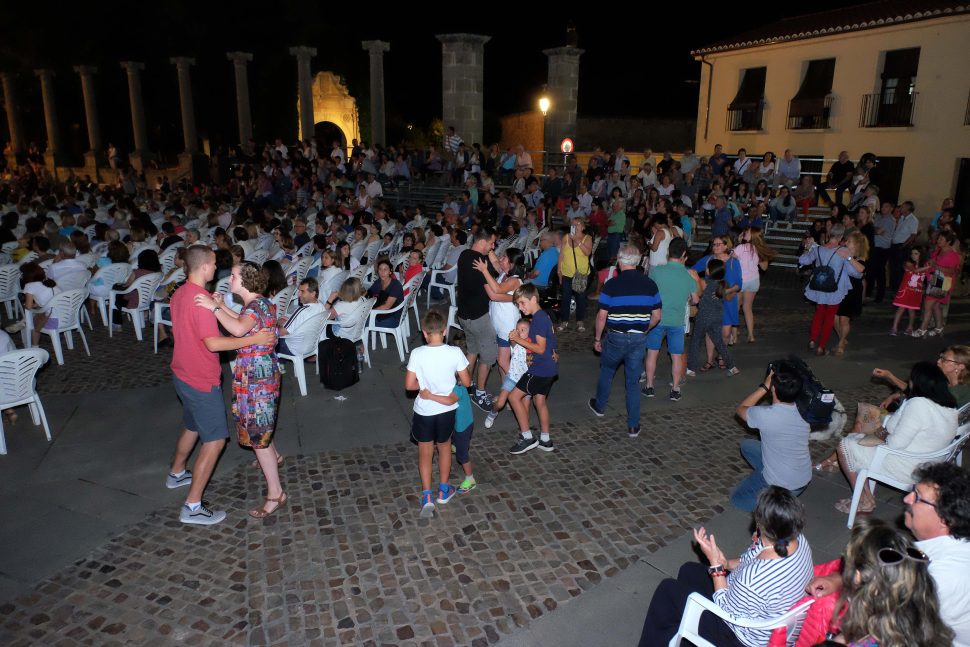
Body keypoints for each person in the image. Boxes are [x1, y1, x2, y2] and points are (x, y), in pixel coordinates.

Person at [806, 463, 970, 646]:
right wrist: (838, 578)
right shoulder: (948, 546)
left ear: (945, 519)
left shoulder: (938, 577)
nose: (907, 499)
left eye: (918, 498)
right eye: (913, 491)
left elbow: (886, 620)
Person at [167, 246, 273, 525]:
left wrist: (219, 306)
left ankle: (177, 472)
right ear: (203, 267)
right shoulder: (201, 300)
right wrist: (254, 340)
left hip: (182, 372)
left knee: (192, 425)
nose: (218, 269)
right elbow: (215, 343)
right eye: (214, 263)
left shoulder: (179, 292)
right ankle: (192, 506)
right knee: (214, 440)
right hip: (201, 377)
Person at [638, 487, 814, 646]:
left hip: (737, 635)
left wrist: (715, 565)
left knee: (667, 590)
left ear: (761, 524)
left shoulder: (755, 577)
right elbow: (751, 560)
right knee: (688, 570)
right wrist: (726, 564)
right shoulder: (796, 540)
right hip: (764, 615)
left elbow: (724, 609)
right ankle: (683, 634)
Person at [194, 262, 284, 518]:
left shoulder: (256, 305)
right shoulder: (258, 304)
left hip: (258, 377)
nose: (229, 279)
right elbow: (243, 322)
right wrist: (221, 307)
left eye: (233, 276)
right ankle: (273, 460)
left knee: (258, 435)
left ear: (245, 281)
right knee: (259, 428)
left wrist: (214, 308)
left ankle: (275, 494)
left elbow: (237, 330)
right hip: (255, 374)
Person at [819, 362, 959, 515]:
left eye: (911, 379)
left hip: (908, 466)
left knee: (845, 445)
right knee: (859, 435)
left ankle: (865, 499)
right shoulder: (950, 406)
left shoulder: (919, 404)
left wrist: (903, 407)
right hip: (929, 462)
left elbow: (894, 442)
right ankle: (863, 493)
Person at [589, 244, 662, 437]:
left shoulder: (611, 285)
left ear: (620, 262)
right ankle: (633, 425)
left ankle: (600, 405)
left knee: (607, 370)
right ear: (637, 262)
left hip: (615, 337)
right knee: (632, 381)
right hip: (638, 338)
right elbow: (657, 315)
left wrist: (597, 338)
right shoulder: (650, 284)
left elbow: (601, 316)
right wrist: (644, 328)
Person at [404, 309, 471, 518]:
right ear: (444, 331)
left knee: (425, 452)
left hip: (424, 410)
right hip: (446, 410)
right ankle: (443, 490)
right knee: (443, 448)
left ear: (424, 333)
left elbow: (409, 385)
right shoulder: (454, 353)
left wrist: (425, 390)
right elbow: (467, 382)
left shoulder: (417, 354)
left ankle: (427, 496)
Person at [730, 361, 810, 511]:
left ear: (773, 389)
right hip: (802, 480)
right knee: (748, 446)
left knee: (736, 499)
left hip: (782, 486)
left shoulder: (766, 415)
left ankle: (776, 504)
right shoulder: (804, 411)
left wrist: (764, 387)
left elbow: (741, 409)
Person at [642, 238, 695, 401]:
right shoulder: (688, 275)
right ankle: (675, 388)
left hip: (657, 318)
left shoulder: (657, 271)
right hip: (677, 321)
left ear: (667, 252)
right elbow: (696, 299)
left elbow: (649, 293)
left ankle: (649, 386)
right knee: (676, 355)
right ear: (684, 254)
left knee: (652, 353)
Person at [508, 284, 558, 454]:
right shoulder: (543, 317)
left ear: (534, 299)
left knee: (513, 397)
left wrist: (518, 339)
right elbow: (551, 341)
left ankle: (528, 437)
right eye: (518, 305)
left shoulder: (538, 320)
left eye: (522, 303)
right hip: (549, 368)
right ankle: (545, 439)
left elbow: (540, 348)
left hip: (539, 369)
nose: (521, 308)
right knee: (540, 401)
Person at [798, 223, 862, 355]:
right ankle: (821, 347)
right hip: (834, 290)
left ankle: (812, 339)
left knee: (819, 312)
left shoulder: (818, 249)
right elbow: (854, 273)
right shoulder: (843, 251)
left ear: (829, 234)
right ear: (840, 237)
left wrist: (807, 248)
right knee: (829, 317)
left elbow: (803, 261)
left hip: (819, 286)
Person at [456, 229, 499, 411]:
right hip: (479, 317)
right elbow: (497, 276)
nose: (493, 247)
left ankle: (463, 387)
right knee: (488, 357)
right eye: (492, 243)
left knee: (472, 351)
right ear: (483, 242)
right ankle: (480, 393)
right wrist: (490, 255)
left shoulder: (464, 254)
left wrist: (488, 251)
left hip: (464, 316)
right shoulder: (482, 262)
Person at [474, 248, 524, 379]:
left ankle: (519, 387)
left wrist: (484, 270)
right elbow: (495, 261)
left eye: (504, 258)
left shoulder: (515, 280)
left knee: (502, 361)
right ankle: (505, 392)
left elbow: (497, 290)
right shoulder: (504, 274)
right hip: (499, 325)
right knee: (502, 362)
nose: (501, 259)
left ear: (511, 263)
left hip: (507, 327)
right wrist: (489, 249)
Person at [686, 259, 739, 377]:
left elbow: (698, 294)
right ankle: (732, 366)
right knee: (719, 342)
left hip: (704, 317)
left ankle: (690, 368)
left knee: (695, 341)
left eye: (707, 268)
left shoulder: (705, 282)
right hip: (717, 317)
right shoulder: (724, 284)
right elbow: (730, 297)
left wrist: (696, 279)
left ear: (709, 271)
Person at [484, 318, 531, 429]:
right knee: (500, 403)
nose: (519, 332)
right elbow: (513, 341)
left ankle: (524, 433)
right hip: (512, 377)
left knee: (525, 410)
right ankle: (493, 413)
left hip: (527, 380)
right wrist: (514, 336)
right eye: (517, 329)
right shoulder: (516, 343)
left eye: (523, 330)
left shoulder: (533, 345)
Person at [733, 228, 775, 344]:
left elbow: (731, 258)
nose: (744, 232)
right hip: (754, 281)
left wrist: (738, 242)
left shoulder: (741, 247)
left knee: (735, 307)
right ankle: (751, 335)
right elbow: (764, 267)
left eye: (747, 232)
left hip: (741, 281)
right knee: (747, 308)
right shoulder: (759, 249)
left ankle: (734, 335)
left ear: (752, 236)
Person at [914, 230, 960, 337]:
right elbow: (933, 261)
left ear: (948, 242)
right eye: (938, 238)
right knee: (935, 306)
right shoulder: (939, 250)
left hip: (943, 281)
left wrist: (935, 266)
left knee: (928, 305)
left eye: (941, 239)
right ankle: (939, 328)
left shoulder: (953, 255)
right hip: (936, 279)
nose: (938, 240)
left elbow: (952, 271)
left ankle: (922, 329)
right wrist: (931, 262)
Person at [833, 231, 869, 355]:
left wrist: (848, 257)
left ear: (857, 245)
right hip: (839, 289)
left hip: (852, 291)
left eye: (849, 241)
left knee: (844, 320)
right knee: (834, 318)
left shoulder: (860, 258)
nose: (846, 242)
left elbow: (861, 269)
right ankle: (842, 338)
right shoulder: (842, 252)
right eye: (846, 241)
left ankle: (841, 343)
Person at [557, 217, 592, 332]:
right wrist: (559, 270)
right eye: (572, 224)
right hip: (567, 272)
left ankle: (580, 321)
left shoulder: (587, 238)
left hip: (580, 274)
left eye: (577, 224)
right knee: (565, 298)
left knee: (580, 298)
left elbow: (587, 252)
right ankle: (564, 321)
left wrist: (577, 240)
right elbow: (561, 254)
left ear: (583, 227)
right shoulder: (566, 238)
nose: (575, 226)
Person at [276, 277, 326, 356]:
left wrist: (274, 325)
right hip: (311, 347)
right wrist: (288, 321)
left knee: (270, 338)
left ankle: (280, 364)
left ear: (313, 294)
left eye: (302, 291)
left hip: (293, 349)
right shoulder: (321, 307)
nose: (298, 294)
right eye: (299, 290)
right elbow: (304, 322)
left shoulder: (302, 311)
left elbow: (281, 333)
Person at [890, 246, 927, 336]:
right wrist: (929, 267)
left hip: (916, 291)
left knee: (911, 310)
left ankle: (910, 327)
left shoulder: (925, 265)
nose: (913, 255)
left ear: (921, 254)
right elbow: (914, 271)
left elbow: (928, 277)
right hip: (905, 291)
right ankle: (894, 328)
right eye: (912, 253)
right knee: (901, 308)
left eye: (916, 253)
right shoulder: (908, 263)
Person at [367, 258, 404, 327]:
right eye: (380, 269)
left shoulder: (395, 285)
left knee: (360, 322)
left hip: (393, 318)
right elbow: (368, 292)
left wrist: (368, 312)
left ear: (390, 272)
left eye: (385, 269)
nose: (382, 272)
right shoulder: (378, 282)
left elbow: (387, 306)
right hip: (383, 313)